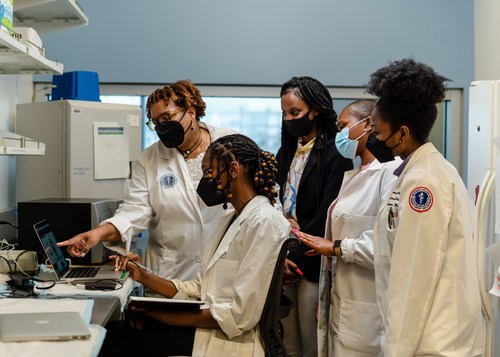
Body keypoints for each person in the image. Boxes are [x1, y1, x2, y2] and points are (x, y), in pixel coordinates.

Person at [100, 134, 291, 357]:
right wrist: (143, 276)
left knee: (111, 338)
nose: (205, 180)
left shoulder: (265, 222)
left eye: (209, 171)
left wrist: (161, 317)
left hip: (230, 340)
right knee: (116, 330)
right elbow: (203, 288)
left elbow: (240, 316)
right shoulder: (232, 218)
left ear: (233, 169)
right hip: (212, 327)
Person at [58, 80, 236, 287]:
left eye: (167, 118)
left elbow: (258, 200)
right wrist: (96, 234)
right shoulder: (150, 158)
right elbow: (135, 211)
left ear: (191, 113)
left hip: (224, 267)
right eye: (155, 122)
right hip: (170, 273)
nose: (162, 127)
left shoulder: (231, 143)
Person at [365, 58, 483, 356]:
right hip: (430, 338)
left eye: (378, 133)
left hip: (434, 343)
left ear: (402, 133)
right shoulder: (425, 172)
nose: (374, 140)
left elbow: (414, 276)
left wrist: (394, 351)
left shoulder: (424, 183)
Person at [296, 99, 401, 357]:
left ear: (367, 125)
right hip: (342, 302)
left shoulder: (390, 175)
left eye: (343, 126)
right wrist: (326, 249)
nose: (339, 134)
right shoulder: (355, 174)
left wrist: (335, 247)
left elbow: (389, 246)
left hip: (367, 312)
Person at [276, 76, 353, 356]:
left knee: (311, 345)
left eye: (295, 112)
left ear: (316, 110)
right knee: (287, 344)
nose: (289, 119)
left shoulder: (336, 155)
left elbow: (326, 215)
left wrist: (292, 254)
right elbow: (274, 205)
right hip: (282, 260)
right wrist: (279, 256)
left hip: (310, 263)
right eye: (284, 113)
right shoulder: (286, 152)